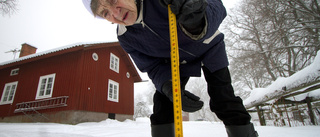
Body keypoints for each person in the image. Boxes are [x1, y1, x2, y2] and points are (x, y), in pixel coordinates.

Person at [82, 0, 258, 136]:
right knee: (163, 105)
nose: (115, 13)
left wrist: (198, 18)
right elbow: (151, 66)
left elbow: (218, 7)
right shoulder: (126, 36)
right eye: (105, 13)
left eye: (113, 0)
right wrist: (168, 87)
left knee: (223, 99)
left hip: (208, 47)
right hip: (172, 62)